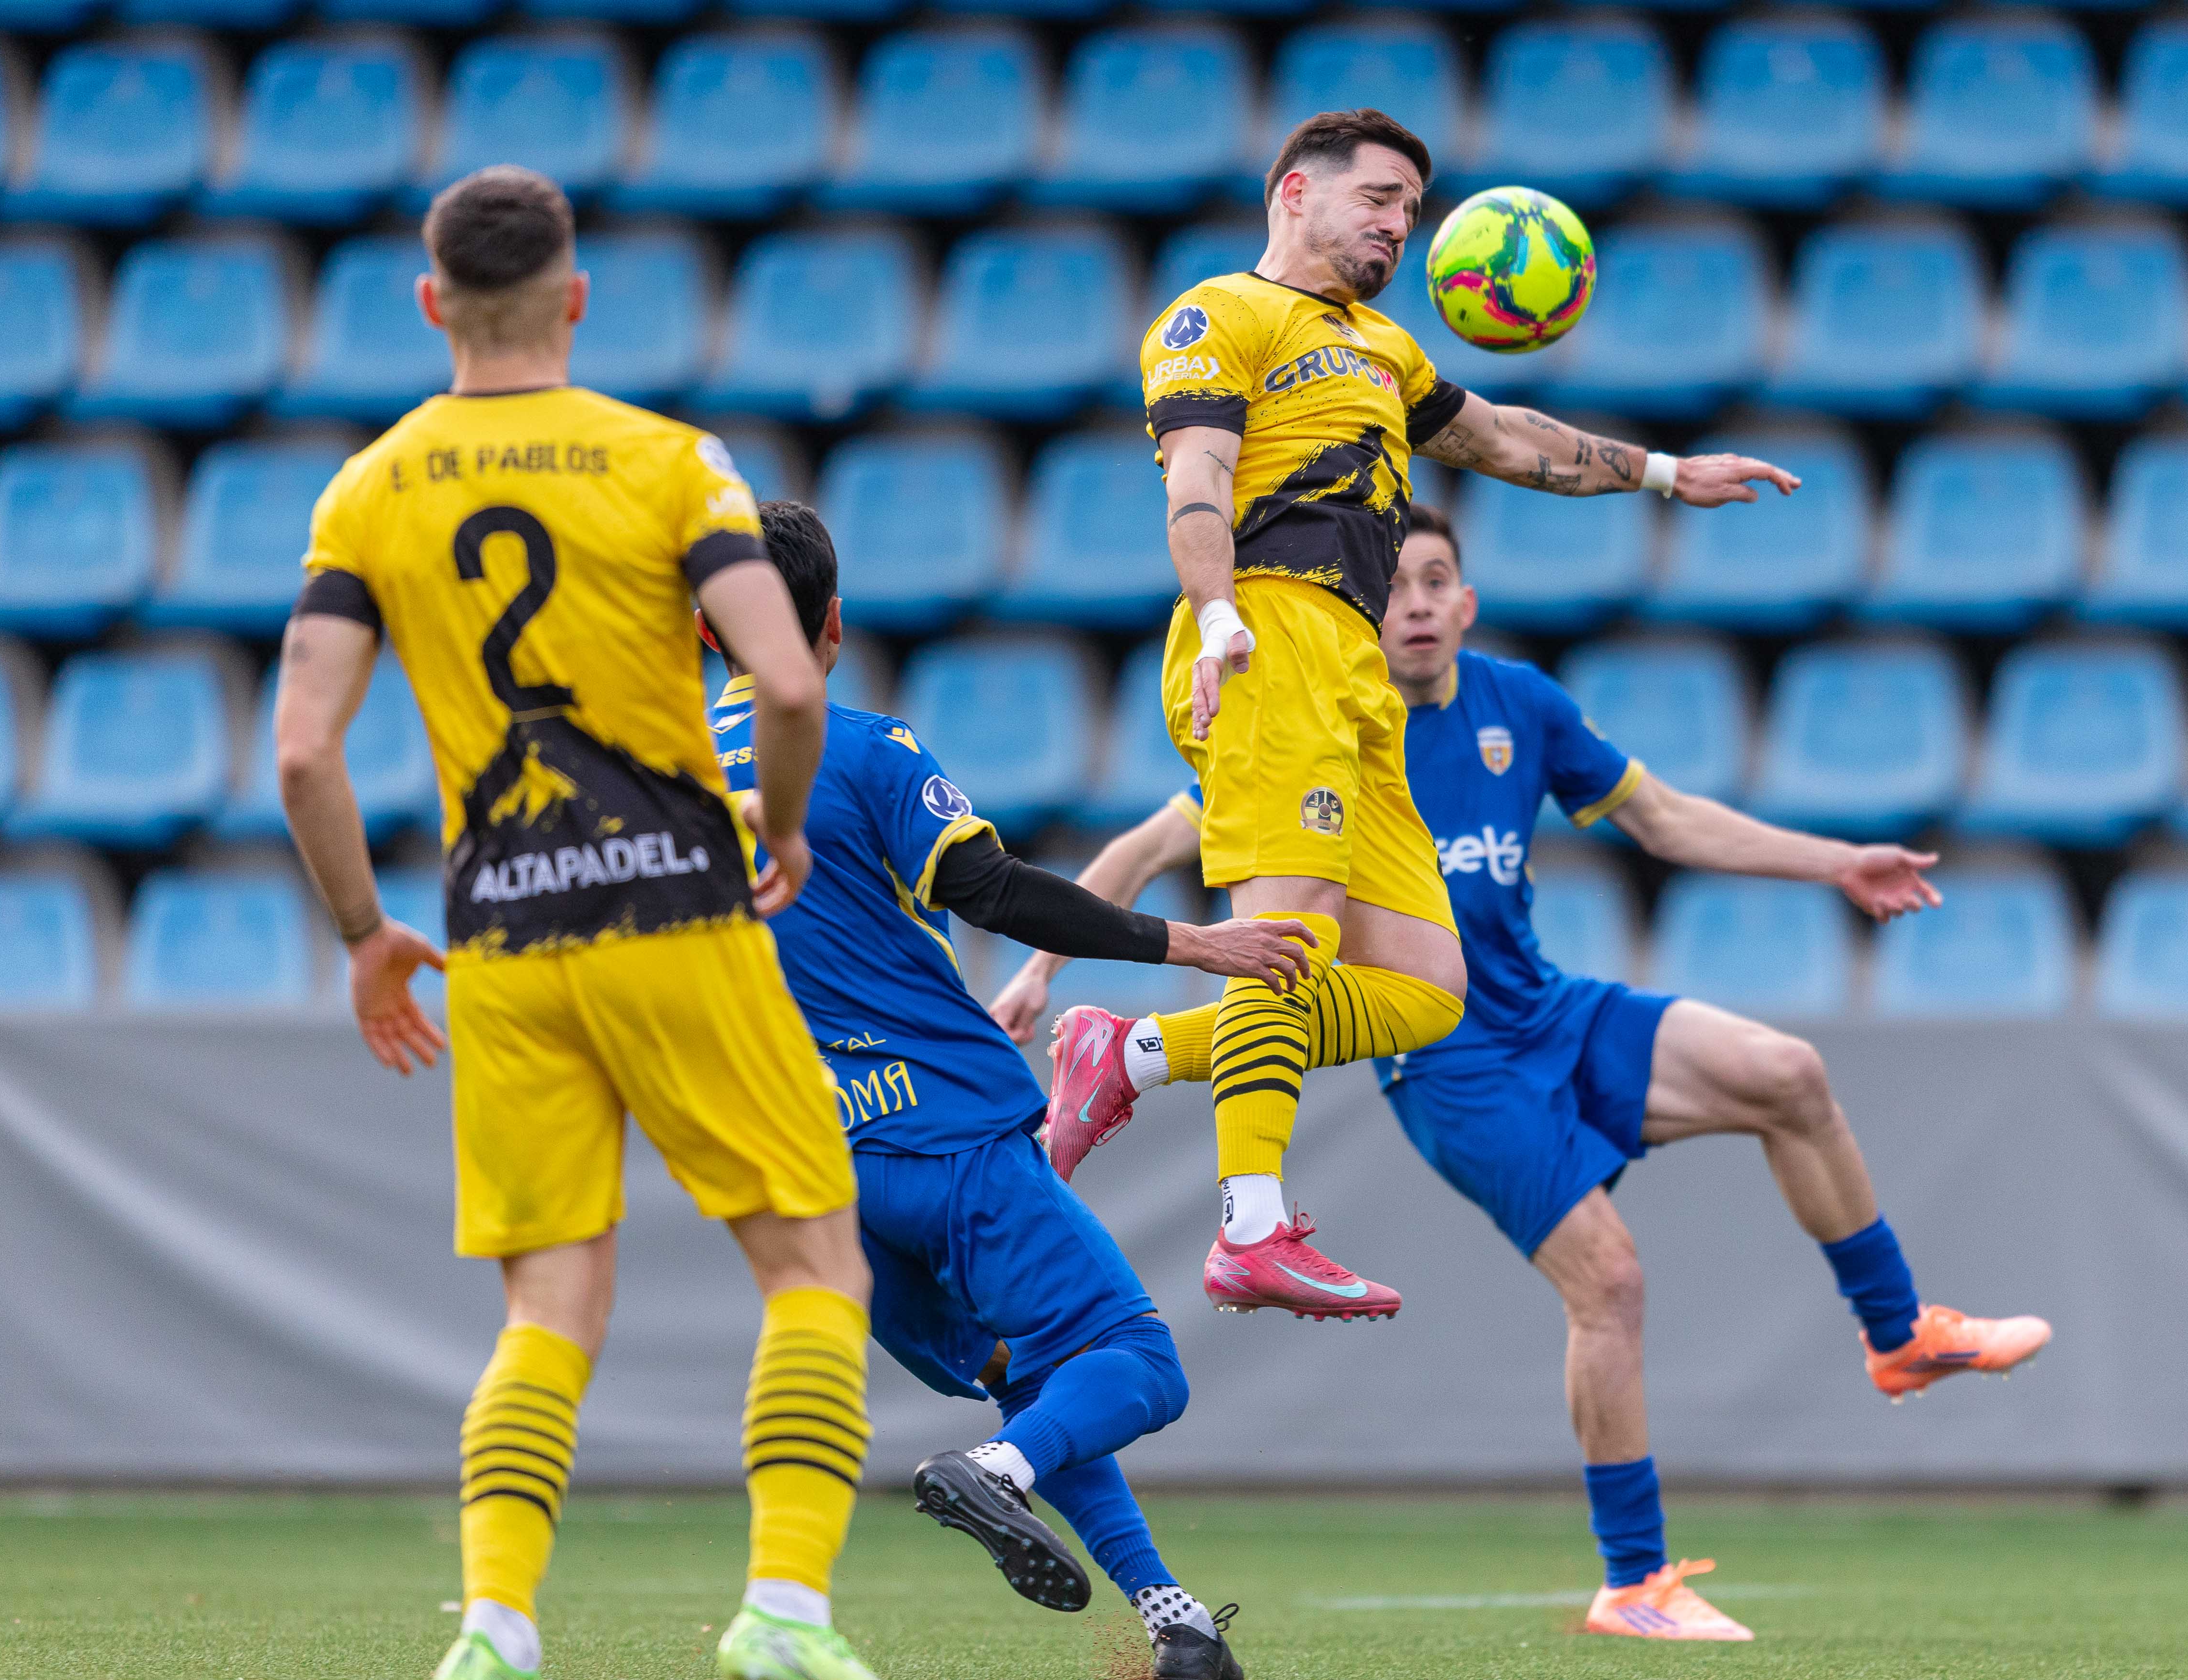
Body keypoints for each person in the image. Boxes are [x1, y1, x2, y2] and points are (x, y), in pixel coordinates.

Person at [998, 505, 2055, 1642]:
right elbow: (1152, 847)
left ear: (1465, 604)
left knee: (1786, 1071)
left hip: (1549, 1009)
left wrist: (1838, 860)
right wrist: (1044, 967)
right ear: (1362, 605)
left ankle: (1898, 1336)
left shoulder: (1522, 708)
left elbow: (1665, 818)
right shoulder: (1322, 723)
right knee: (1611, 1281)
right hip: (1444, 1061)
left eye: (1434, 581)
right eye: (1392, 585)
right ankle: (1636, 1584)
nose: (1410, 603)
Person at [273, 166, 879, 1680]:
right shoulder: (671, 462)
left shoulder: (367, 487)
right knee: (811, 1262)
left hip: (501, 938)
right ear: (576, 298)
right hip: (676, 907)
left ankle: (493, 1628)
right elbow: (787, 683)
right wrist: (787, 822)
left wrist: (364, 930)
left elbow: (301, 749)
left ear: (431, 304)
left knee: (548, 1301)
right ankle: (783, 1617)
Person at [1126, 105, 1801, 1318]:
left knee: (1429, 984)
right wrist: (1218, 611)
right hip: (1271, 627)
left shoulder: (1382, 349)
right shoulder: (1213, 315)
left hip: (1351, 670)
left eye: (1410, 210)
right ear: (1293, 192)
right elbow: (1200, 477)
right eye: (1379, 197)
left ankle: (1121, 1053)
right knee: (1288, 935)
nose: (1398, 224)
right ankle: (1250, 1222)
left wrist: (1661, 473)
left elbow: (1499, 437)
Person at [704, 502, 1312, 1680]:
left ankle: (1174, 1623)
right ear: (831, 626)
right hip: (951, 1134)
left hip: (816, 1175)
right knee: (1138, 1364)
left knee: (1035, 1383)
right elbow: (988, 889)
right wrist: (1191, 945)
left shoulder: (661, 782)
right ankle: (992, 1476)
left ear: (702, 627)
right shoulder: (861, 747)